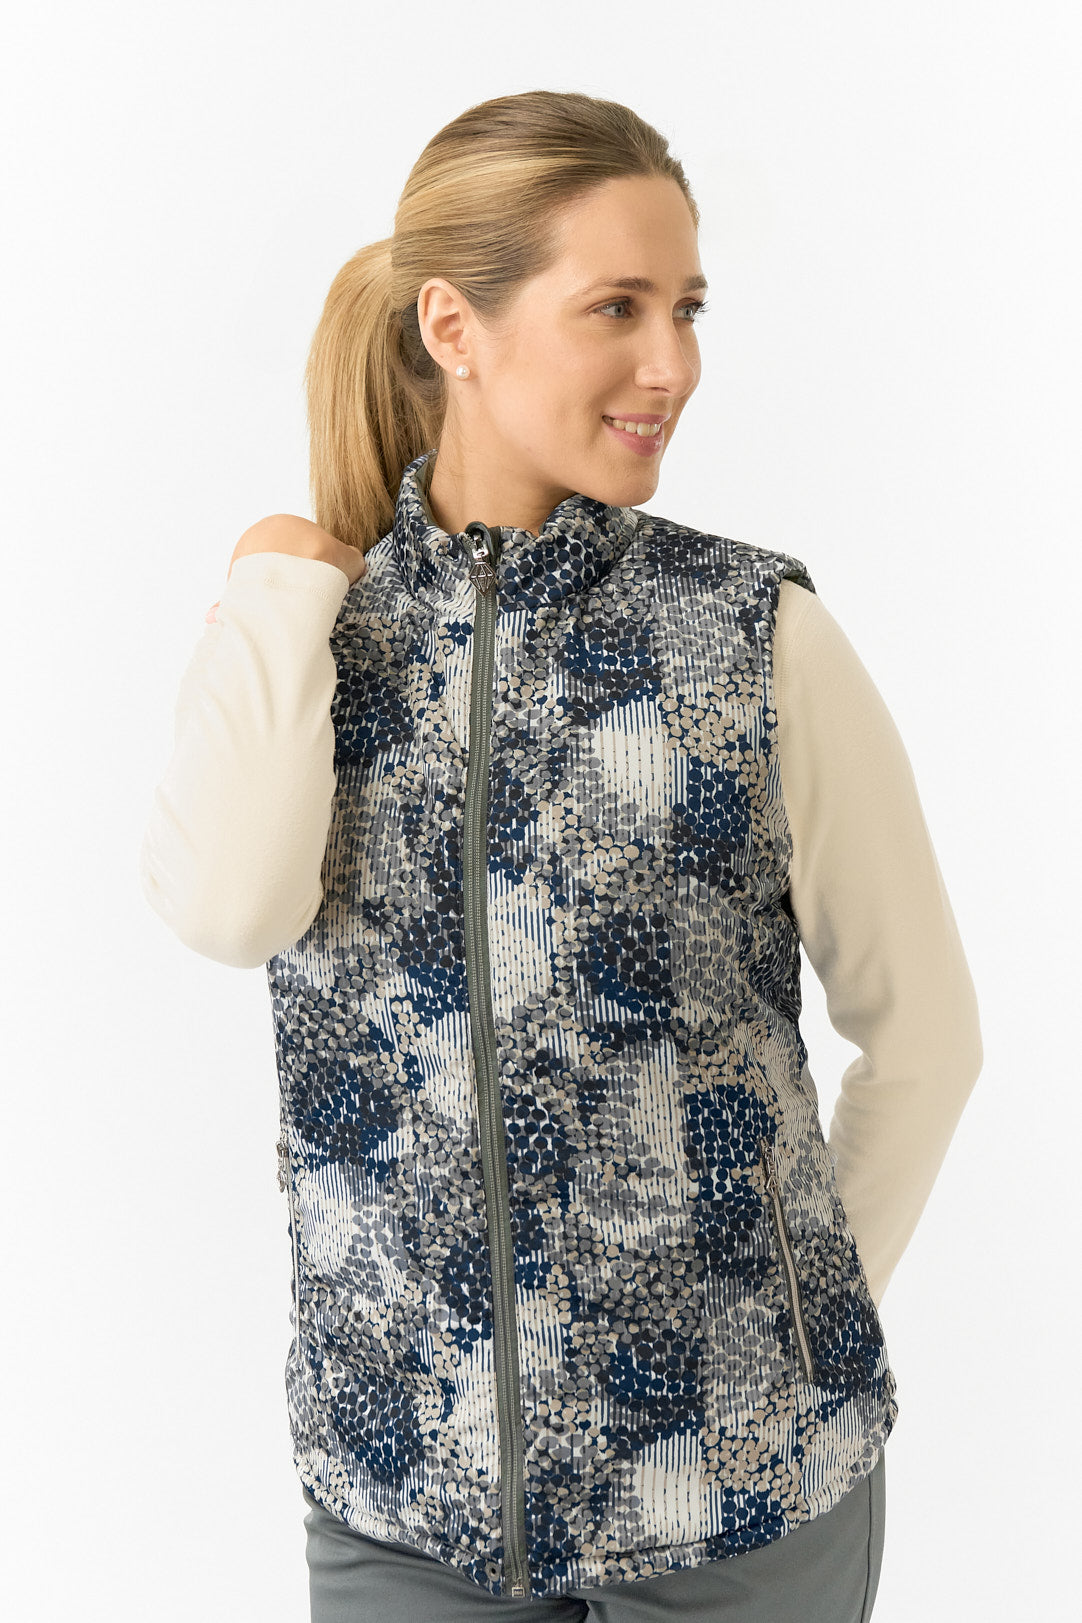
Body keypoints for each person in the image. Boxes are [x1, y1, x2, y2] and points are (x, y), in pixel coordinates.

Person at [139, 89, 983, 1622]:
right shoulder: (314, 640)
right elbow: (226, 908)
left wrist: (783, 1343)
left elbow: (923, 1035)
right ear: (451, 327)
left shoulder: (752, 636)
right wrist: (275, 579)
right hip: (400, 1495)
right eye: (616, 307)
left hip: (739, 1502)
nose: (672, 364)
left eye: (685, 309)